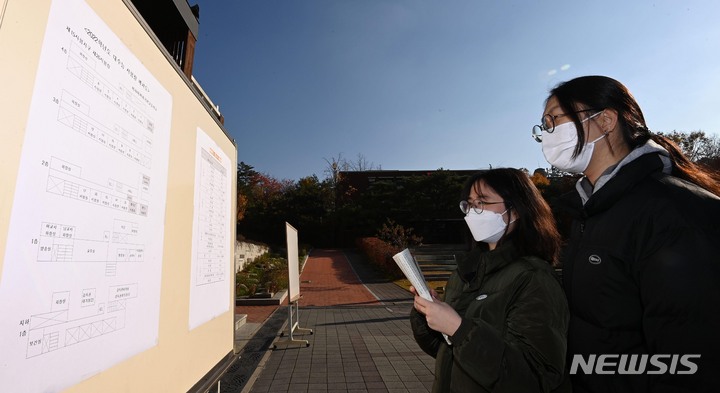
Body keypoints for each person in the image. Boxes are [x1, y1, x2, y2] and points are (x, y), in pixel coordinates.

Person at [533, 75, 720, 392]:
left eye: (555, 121)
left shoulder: (673, 212)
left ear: (605, 120)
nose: (546, 134)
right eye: (543, 126)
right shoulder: (590, 211)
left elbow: (691, 361)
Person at [410, 168, 570, 392]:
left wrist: (459, 328)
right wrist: (426, 314)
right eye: (470, 204)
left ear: (516, 210)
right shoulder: (465, 274)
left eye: (482, 202)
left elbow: (535, 378)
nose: (474, 211)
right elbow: (445, 351)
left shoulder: (533, 278)